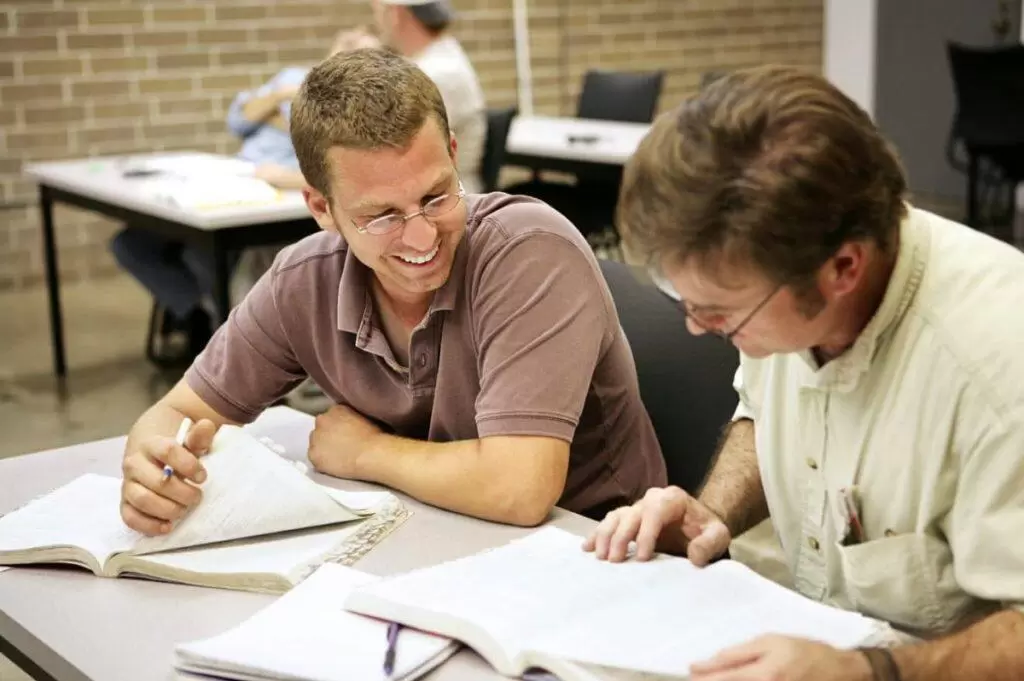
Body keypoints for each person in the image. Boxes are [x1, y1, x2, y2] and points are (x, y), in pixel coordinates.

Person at [584, 65, 1024, 680]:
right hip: (788, 628)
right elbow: (764, 417)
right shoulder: (784, 286)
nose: (695, 327)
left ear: (843, 268)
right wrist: (713, 516)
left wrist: (869, 671)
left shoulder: (998, 372)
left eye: (720, 312)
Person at [118, 48, 666, 537]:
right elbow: (178, 413)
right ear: (320, 208)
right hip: (434, 539)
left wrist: (365, 453)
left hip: (596, 555)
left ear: (453, 154)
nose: (423, 237)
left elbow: (519, 488)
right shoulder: (303, 281)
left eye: (436, 195)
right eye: (381, 216)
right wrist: (153, 467)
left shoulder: (528, 253)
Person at [109, 29, 377, 362]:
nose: (353, 40)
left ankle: (227, 342)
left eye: (361, 47)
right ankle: (198, 315)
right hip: (233, 178)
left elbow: (327, 154)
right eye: (348, 38)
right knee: (130, 243)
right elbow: (239, 118)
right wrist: (285, 94)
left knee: (200, 253)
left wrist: (275, 116)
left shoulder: (354, 105)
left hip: (268, 196)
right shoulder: (294, 77)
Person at [369, 0, 486, 193]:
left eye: (379, 12)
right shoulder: (439, 57)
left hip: (445, 202)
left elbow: (384, 154)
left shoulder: (437, 74)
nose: (376, 22)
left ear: (396, 14)